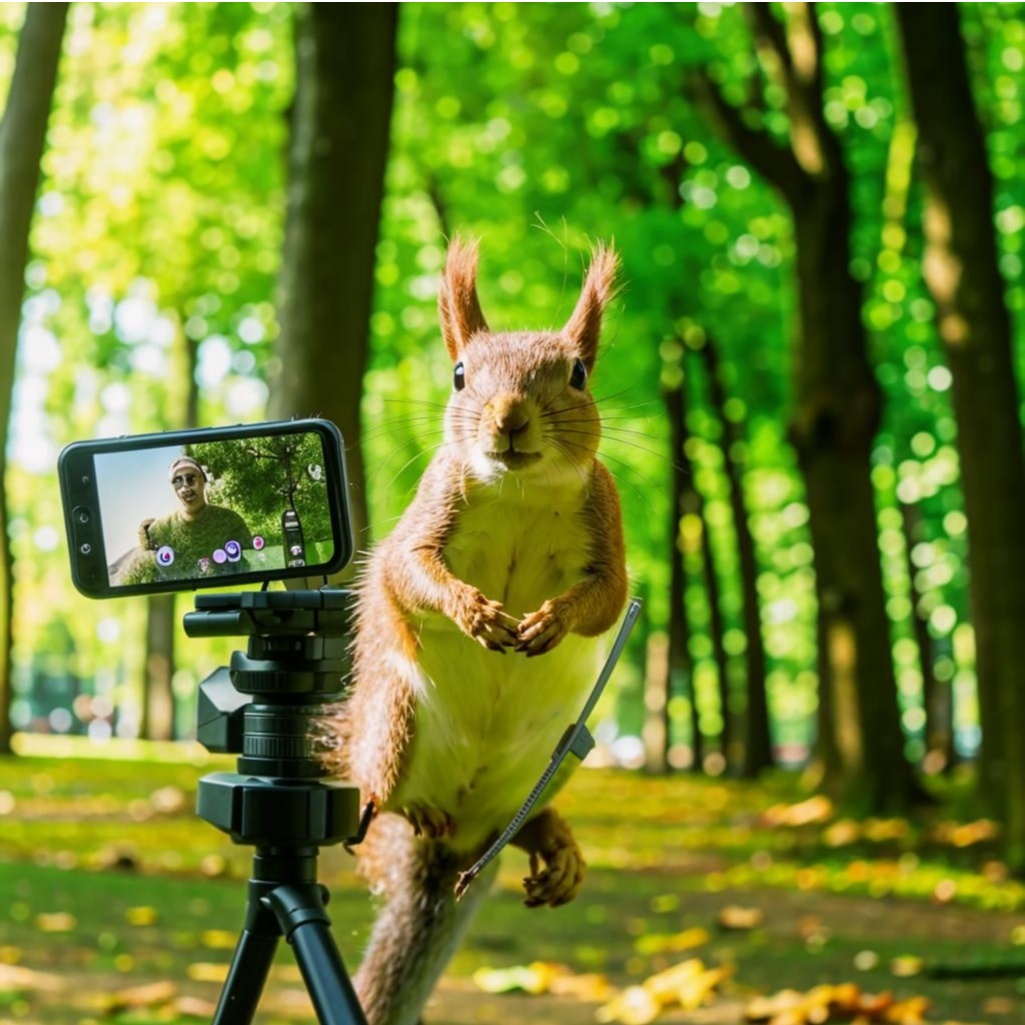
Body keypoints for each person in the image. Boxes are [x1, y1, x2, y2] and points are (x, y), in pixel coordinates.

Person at [116, 456, 254, 585]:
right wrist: (144, 547)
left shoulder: (230, 520)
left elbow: (251, 563)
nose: (185, 487)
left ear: (203, 481)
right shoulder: (160, 529)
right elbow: (136, 573)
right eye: (177, 481)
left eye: (190, 478)